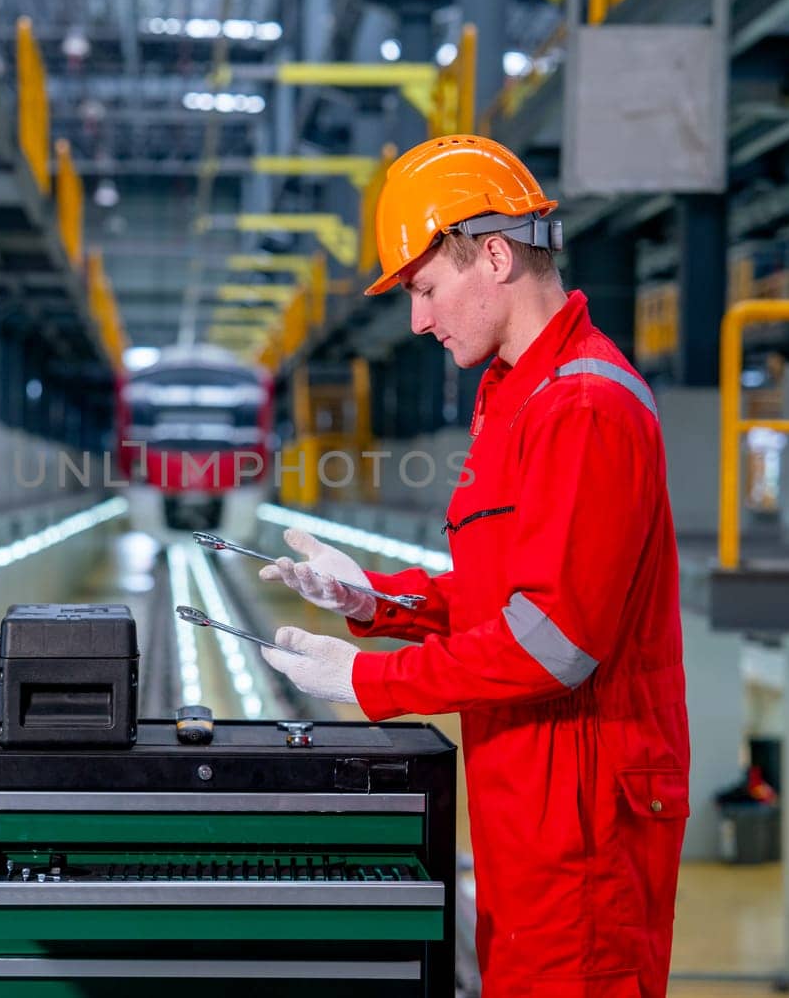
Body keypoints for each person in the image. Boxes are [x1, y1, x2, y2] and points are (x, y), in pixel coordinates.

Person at [258, 134, 689, 998]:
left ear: (493, 255)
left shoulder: (585, 406)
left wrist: (370, 681)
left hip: (584, 833)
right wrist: (372, 597)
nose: (417, 319)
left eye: (424, 287)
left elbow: (554, 642)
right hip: (526, 816)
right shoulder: (515, 397)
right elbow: (503, 595)